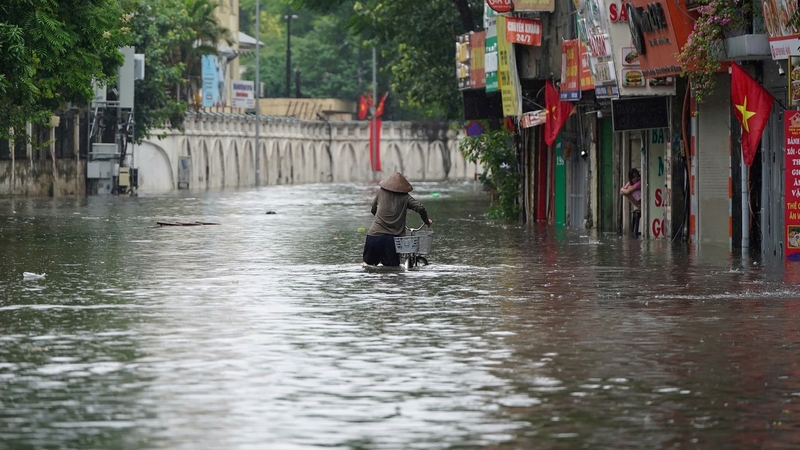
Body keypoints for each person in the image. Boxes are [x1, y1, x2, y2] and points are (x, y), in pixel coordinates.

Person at [363, 172, 433, 266]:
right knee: (392, 272)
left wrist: (381, 219)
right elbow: (420, 208)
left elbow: (373, 209)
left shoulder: (381, 192)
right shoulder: (405, 197)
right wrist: (426, 221)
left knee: (368, 266)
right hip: (392, 240)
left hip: (374, 236)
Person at [620, 168, 641, 236]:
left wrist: (627, 189)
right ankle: (638, 206)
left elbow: (626, 191)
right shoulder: (630, 183)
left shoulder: (639, 183)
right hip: (637, 203)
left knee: (630, 192)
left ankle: (640, 207)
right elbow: (621, 191)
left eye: (637, 176)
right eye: (634, 177)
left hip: (641, 201)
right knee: (629, 192)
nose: (636, 178)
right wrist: (627, 189)